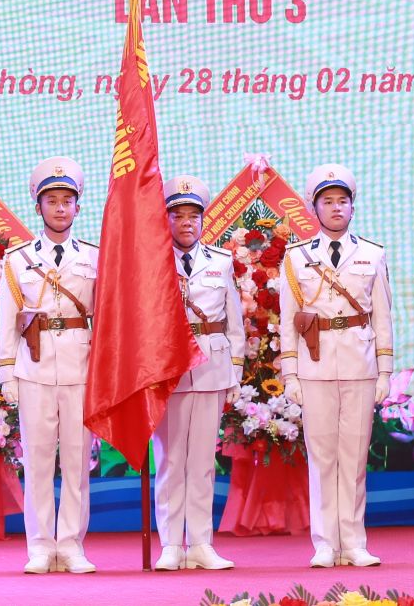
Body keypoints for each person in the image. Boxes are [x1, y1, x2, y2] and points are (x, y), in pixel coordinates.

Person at [278, 164, 394, 568]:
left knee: (354, 457)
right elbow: (288, 319)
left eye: (342, 201)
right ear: (315, 209)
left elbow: (383, 317)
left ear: (352, 207)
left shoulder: (372, 254)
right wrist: (290, 374)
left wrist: (385, 371)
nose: (336, 208)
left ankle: (354, 542)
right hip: (315, 365)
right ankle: (325, 543)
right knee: (323, 457)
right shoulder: (296, 257)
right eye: (327, 201)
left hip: (360, 364)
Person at [0, 157, 99, 575]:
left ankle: (71, 545)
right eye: (51, 201)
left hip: (81, 367)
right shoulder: (17, 258)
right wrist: (7, 372)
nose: (60, 208)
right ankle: (39, 546)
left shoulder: (95, 256)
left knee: (77, 462)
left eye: (67, 201)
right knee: (37, 461)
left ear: (78, 207)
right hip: (33, 368)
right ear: (38, 207)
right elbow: (7, 319)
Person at [151, 176, 243, 571]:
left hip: (211, 368)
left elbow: (234, 322)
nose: (186, 222)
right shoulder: (152, 263)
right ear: (166, 220)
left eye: (193, 215)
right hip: (168, 371)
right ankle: (172, 544)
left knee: (203, 461)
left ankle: (202, 543)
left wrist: (235, 372)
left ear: (203, 220)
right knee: (170, 460)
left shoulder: (220, 262)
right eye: (178, 215)